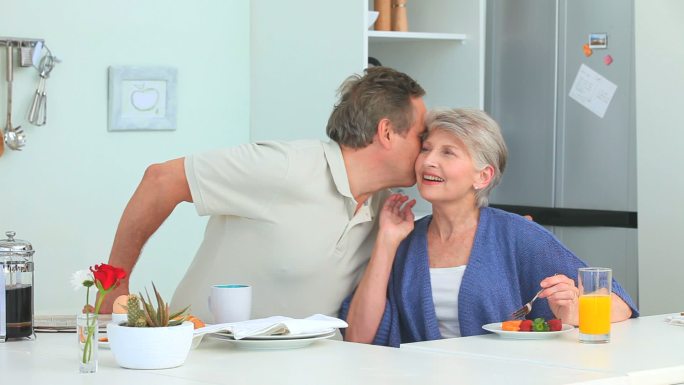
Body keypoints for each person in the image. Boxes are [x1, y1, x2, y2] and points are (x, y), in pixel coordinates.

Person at [101, 67, 427, 322]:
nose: (426, 148)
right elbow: (160, 179)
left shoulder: (387, 210)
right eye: (420, 135)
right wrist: (115, 282)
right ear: (386, 133)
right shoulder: (285, 167)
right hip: (205, 361)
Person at [341, 108, 638, 347]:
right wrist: (386, 242)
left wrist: (574, 311)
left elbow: (622, 305)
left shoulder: (517, 235)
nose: (429, 161)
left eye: (448, 153)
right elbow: (358, 337)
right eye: (427, 149)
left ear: (482, 177)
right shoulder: (405, 242)